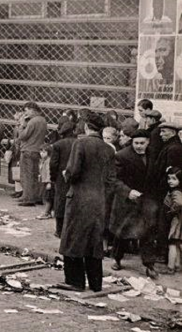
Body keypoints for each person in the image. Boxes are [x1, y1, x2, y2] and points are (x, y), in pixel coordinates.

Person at [57, 113, 115, 292]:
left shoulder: (80, 143)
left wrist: (66, 175)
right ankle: (96, 283)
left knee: (73, 239)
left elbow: (73, 171)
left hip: (80, 198)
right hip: (99, 200)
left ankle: (75, 281)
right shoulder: (108, 149)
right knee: (94, 241)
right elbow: (111, 179)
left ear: (87, 127)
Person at [143, 121, 182, 277]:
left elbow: (171, 173)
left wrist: (165, 191)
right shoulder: (172, 146)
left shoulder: (173, 149)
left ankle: (165, 256)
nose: (161, 135)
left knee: (166, 226)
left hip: (167, 193)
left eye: (164, 132)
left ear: (172, 132)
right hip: (167, 192)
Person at [109, 130, 150, 271]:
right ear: (131, 143)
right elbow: (113, 180)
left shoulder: (153, 155)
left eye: (142, 143)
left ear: (148, 142)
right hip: (126, 201)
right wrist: (128, 192)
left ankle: (149, 265)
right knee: (122, 232)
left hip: (146, 200)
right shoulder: (122, 156)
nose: (139, 146)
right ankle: (117, 259)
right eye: (136, 143)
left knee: (147, 232)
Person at [50, 119, 77, 238]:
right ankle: (71, 229)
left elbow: (53, 163)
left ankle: (59, 230)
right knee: (72, 202)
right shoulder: (78, 143)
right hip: (75, 177)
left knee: (60, 202)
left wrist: (53, 177)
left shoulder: (58, 145)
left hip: (60, 177)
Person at [18, 102, 47, 207]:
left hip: (28, 150)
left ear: (32, 109)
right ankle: (34, 196)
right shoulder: (43, 120)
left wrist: (21, 125)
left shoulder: (32, 122)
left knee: (27, 175)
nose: (25, 113)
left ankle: (28, 198)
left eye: (26, 110)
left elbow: (23, 136)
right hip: (37, 150)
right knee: (35, 175)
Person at [164, 167, 182, 274]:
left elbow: (179, 203)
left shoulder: (176, 192)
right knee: (177, 243)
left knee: (172, 243)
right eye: (169, 178)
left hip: (177, 221)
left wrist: (172, 211)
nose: (170, 181)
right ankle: (177, 265)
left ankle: (170, 267)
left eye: (174, 179)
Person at [36, 144, 54, 220]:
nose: (42, 154)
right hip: (44, 180)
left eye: (44, 152)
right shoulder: (43, 161)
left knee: (48, 197)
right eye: (41, 152)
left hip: (48, 181)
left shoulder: (48, 161)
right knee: (47, 197)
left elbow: (49, 171)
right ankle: (49, 211)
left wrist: (49, 182)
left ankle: (47, 212)